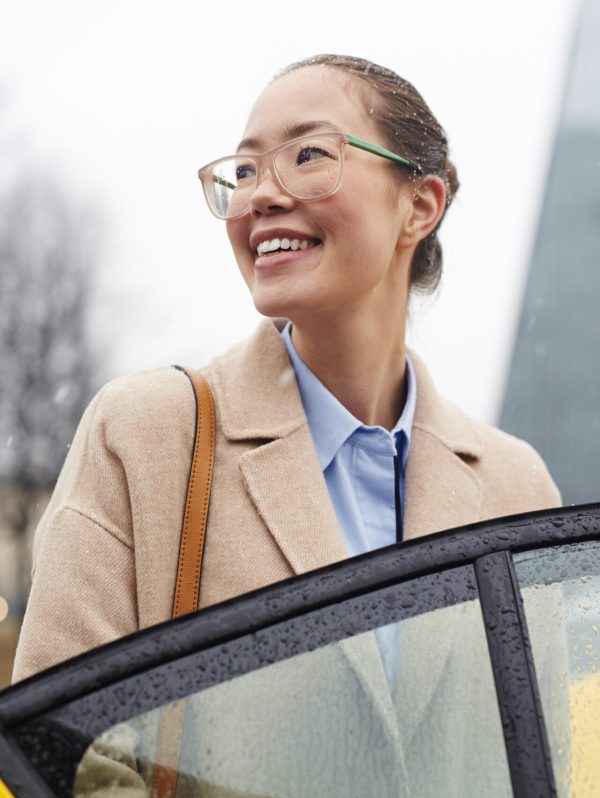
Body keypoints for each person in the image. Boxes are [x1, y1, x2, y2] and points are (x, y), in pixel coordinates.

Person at [14, 52, 560, 679]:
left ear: (420, 205)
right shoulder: (146, 437)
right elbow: (63, 761)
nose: (263, 195)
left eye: (308, 155)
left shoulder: (518, 488)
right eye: (245, 170)